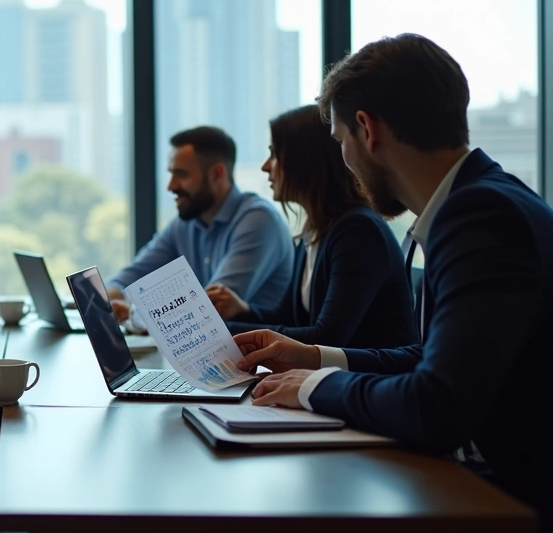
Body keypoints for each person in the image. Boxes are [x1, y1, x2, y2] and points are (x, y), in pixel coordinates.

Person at [234, 33, 551, 524]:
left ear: (367, 129)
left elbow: (436, 405)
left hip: (511, 500)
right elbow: (429, 358)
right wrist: (314, 358)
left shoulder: (480, 215)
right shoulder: (476, 203)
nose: (345, 159)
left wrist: (314, 386)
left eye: (340, 141)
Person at [205, 105, 416, 349]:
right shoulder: (316, 230)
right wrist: (243, 310)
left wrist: (221, 331)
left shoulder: (357, 231)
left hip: (367, 374)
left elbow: (325, 339)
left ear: (306, 160)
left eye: (274, 154)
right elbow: (288, 318)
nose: (265, 166)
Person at [108, 126, 292, 328]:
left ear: (216, 174)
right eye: (171, 174)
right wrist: (112, 299)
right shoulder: (185, 223)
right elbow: (131, 276)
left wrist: (133, 314)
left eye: (181, 174)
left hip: (258, 346)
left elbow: (209, 308)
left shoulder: (258, 220)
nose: (171, 186)